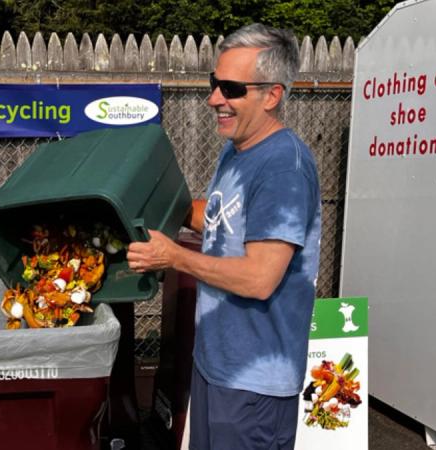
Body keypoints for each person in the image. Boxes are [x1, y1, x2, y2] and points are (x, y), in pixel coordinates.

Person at [127, 23, 321, 450]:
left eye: (231, 88)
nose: (214, 98)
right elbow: (217, 219)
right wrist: (145, 205)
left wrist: (174, 257)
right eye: (215, 83)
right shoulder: (237, 151)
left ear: (272, 95)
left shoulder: (283, 168)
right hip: (216, 364)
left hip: (256, 381)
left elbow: (259, 278)